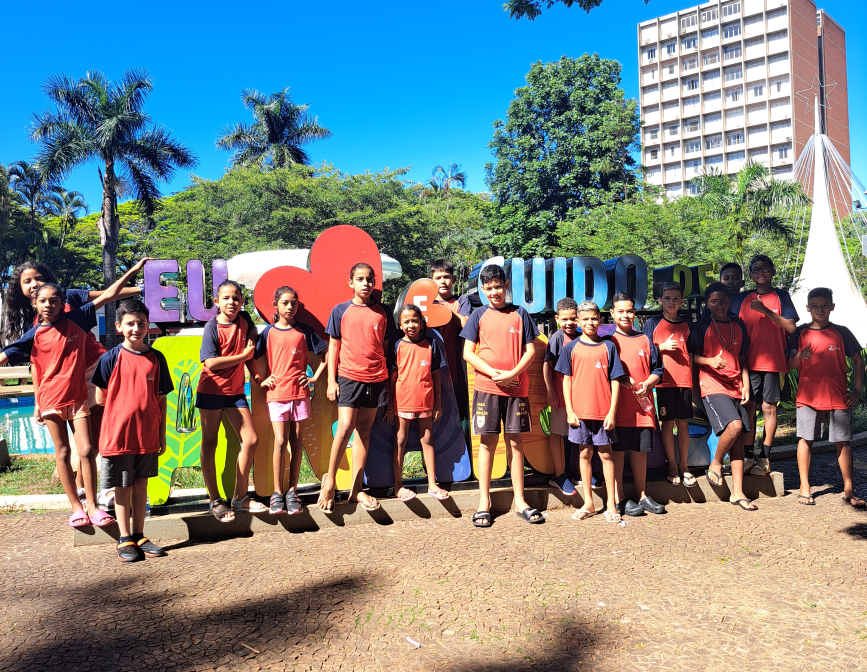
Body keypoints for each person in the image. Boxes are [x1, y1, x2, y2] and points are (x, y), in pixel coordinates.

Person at [0, 259, 149, 528]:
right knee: (67, 450)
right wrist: (37, 400)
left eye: (39, 281)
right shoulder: (35, 330)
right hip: (54, 394)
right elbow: (34, 362)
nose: (37, 290)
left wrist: (136, 277)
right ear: (31, 300)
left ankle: (98, 497)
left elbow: (108, 294)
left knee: (93, 443)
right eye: (28, 282)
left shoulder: (73, 309)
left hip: (88, 377)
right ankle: (79, 503)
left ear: (58, 296)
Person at [91, 299, 173, 562]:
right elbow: (100, 398)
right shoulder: (111, 358)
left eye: (141, 323)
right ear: (118, 327)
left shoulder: (157, 358)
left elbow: (162, 399)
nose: (136, 328)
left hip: (147, 436)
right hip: (119, 437)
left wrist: (161, 435)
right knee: (121, 488)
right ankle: (124, 537)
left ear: (148, 325)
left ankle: (140, 534)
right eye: (130, 323)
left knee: (141, 486)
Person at [460, 264, 540, 527]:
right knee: (487, 444)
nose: (494, 291)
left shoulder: (521, 314)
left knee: (516, 443)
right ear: (482, 290)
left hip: (517, 389)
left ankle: (520, 501)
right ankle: (484, 501)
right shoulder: (478, 315)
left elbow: (530, 351)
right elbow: (468, 353)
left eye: (498, 286)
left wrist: (512, 373)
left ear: (506, 285)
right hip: (487, 389)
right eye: (488, 288)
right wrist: (495, 374)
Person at [318, 263, 400, 513]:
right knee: (344, 428)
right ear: (351, 282)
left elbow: (386, 349)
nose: (365, 283)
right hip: (348, 378)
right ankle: (329, 482)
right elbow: (333, 347)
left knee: (364, 432)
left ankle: (356, 491)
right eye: (360, 279)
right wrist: (331, 381)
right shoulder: (340, 310)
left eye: (370, 279)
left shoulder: (384, 312)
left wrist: (387, 381)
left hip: (376, 379)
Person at [787, 288, 864, 507]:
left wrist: (857, 392)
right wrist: (800, 357)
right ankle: (804, 487)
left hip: (839, 396)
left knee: (843, 442)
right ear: (807, 308)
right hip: (807, 396)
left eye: (824, 305)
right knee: (805, 440)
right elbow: (789, 364)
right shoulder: (799, 333)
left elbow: (858, 361)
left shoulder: (842, 332)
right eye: (815, 305)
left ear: (832, 307)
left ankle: (849, 489)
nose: (819, 309)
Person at [255, 286, 327, 515]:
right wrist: (260, 379)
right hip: (276, 395)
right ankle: (277, 493)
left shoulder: (304, 332)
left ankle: (292, 492)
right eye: (285, 302)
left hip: (300, 394)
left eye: (293, 303)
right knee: (279, 442)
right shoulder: (267, 333)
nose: (290, 307)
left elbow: (327, 354)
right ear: (275, 304)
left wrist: (314, 377)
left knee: (297, 441)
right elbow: (250, 356)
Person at [197, 279, 266, 522]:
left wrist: (257, 375)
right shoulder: (211, 327)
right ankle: (215, 499)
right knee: (209, 443)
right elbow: (210, 363)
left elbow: (253, 335)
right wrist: (244, 355)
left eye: (236, 298)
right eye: (226, 298)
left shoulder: (245, 322)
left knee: (251, 439)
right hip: (211, 391)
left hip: (235, 393)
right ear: (216, 302)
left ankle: (239, 497)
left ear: (242, 301)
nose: (231, 302)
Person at [555, 300, 624, 522]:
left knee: (606, 454)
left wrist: (612, 411)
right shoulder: (570, 348)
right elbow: (566, 381)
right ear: (578, 322)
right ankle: (589, 503)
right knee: (584, 454)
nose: (590, 322)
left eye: (594, 318)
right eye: (585, 319)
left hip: (603, 413)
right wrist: (570, 411)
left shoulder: (609, 347)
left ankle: (611, 505)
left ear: (601, 320)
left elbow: (615, 381)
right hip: (580, 414)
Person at [729, 255, 798, 476]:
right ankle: (749, 455)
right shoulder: (741, 299)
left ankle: (765, 457)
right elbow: (730, 328)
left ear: (772, 271)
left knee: (769, 408)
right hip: (747, 363)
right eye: (755, 269)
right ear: (749, 274)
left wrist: (765, 310)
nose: (760, 272)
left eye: (765, 268)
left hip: (773, 361)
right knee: (749, 407)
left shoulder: (782, 296)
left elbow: (790, 327)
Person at [690, 282, 756, 511]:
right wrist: (710, 361)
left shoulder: (738, 324)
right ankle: (715, 463)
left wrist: (746, 385)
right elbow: (690, 358)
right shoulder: (702, 326)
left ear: (730, 301)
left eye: (723, 300)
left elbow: (744, 358)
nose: (719, 305)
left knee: (739, 438)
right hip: (712, 385)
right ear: (708, 303)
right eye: (714, 301)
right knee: (735, 426)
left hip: (737, 386)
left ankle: (737, 492)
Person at [609, 293, 667, 517]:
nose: (625, 315)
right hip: (619, 410)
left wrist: (649, 383)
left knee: (640, 452)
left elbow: (658, 370)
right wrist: (622, 380)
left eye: (629, 311)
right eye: (620, 311)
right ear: (612, 313)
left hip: (643, 409)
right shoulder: (608, 342)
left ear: (635, 313)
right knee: (617, 453)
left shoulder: (645, 340)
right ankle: (619, 497)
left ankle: (641, 495)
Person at [386, 304, 450, 501]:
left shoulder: (432, 345)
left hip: (426, 402)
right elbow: (393, 378)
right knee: (400, 440)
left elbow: (436, 376)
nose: (411, 325)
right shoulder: (397, 346)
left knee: (428, 440)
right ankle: (398, 486)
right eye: (406, 321)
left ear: (422, 323)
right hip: (402, 402)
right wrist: (389, 406)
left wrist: (437, 403)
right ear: (400, 324)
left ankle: (432, 484)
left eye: (415, 320)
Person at [643, 281, 697, 487]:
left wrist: (693, 382)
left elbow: (691, 354)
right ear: (660, 300)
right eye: (667, 298)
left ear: (682, 301)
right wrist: (661, 346)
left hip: (684, 382)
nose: (671, 302)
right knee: (667, 423)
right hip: (662, 382)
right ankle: (672, 466)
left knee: (683, 423)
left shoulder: (687, 324)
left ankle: (684, 466)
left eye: (676, 299)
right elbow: (643, 350)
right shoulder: (653, 323)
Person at [542, 297, 578, 497]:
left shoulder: (582, 337)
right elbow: (547, 364)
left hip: (579, 398)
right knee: (556, 433)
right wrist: (550, 391)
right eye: (565, 319)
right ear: (557, 319)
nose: (569, 323)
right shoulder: (557, 338)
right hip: (560, 398)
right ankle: (559, 474)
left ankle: (580, 472)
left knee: (580, 436)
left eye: (573, 318)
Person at [430, 260, 472, 424]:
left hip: (457, 373)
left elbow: (466, 323)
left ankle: (465, 451)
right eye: (438, 277)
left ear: (454, 279)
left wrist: (444, 310)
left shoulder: (461, 301)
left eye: (446, 277)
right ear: (431, 281)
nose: (442, 281)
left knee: (461, 421)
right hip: (430, 374)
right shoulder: (425, 303)